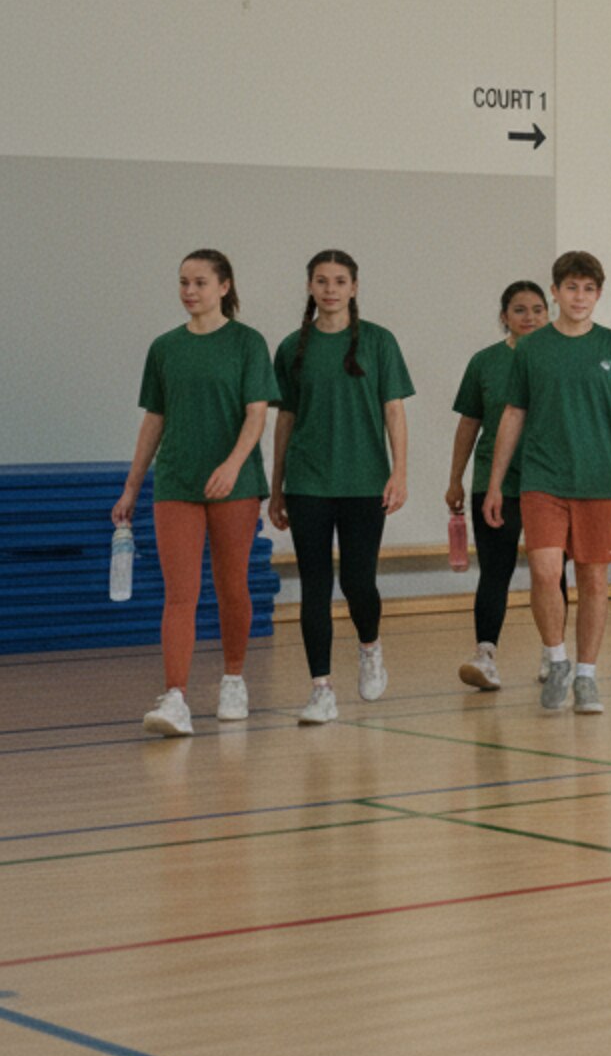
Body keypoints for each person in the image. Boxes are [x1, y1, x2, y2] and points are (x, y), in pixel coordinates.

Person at [117, 250, 276, 738]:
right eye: (184, 282)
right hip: (177, 482)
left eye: (200, 282)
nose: (190, 291)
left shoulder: (248, 343)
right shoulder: (165, 347)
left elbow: (257, 413)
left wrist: (231, 466)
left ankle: (233, 679)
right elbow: (154, 420)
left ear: (224, 287)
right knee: (180, 594)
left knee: (232, 586)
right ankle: (176, 697)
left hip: (235, 484)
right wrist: (131, 487)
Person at [484, 250, 611, 715]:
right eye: (571, 288)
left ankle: (587, 675)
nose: (580, 297)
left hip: (598, 482)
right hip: (542, 479)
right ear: (555, 293)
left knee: (594, 581)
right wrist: (496, 483)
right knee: (545, 572)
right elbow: (513, 414)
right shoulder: (532, 347)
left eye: (589, 289)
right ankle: (556, 658)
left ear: (598, 294)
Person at [271, 250, 414, 726]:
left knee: (357, 582)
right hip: (308, 480)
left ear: (354, 287)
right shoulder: (293, 346)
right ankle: (321, 689)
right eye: (321, 280)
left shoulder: (378, 342)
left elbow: (395, 411)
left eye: (339, 280)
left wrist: (400, 472)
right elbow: (284, 419)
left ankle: (370, 647)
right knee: (315, 585)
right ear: (310, 287)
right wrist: (276, 486)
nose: (330, 289)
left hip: (363, 481)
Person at [446, 279, 552, 692]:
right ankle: (485, 655)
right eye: (520, 310)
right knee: (495, 570)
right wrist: (455, 478)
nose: (530, 317)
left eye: (538, 309)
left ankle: (553, 653)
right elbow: (468, 424)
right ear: (504, 317)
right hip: (495, 484)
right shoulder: (485, 363)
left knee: (549, 571)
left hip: (548, 481)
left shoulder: (558, 358)